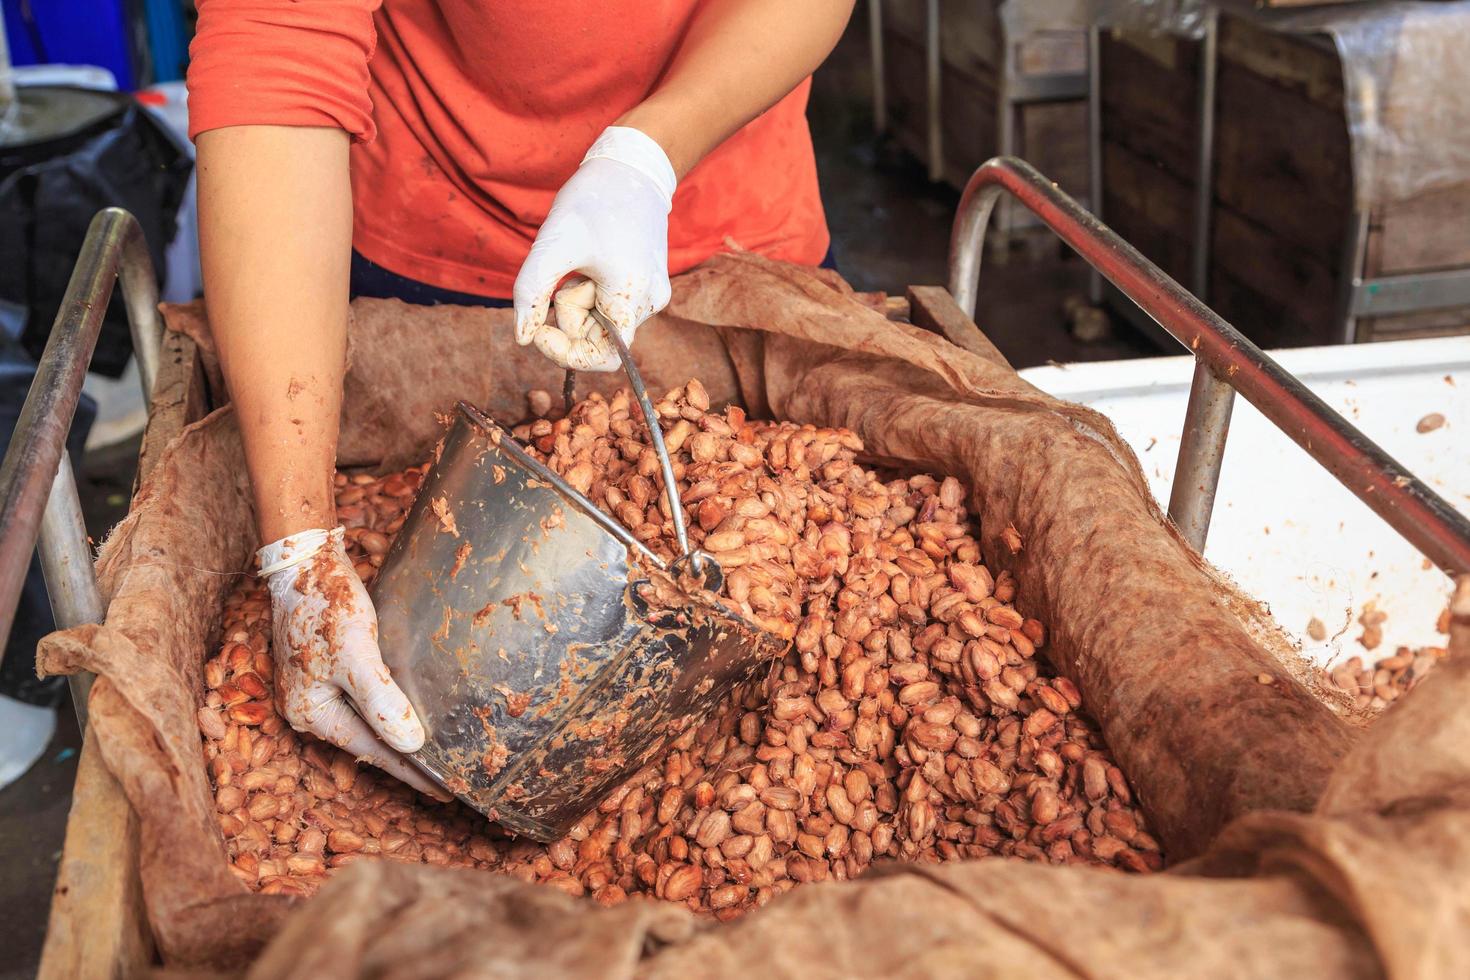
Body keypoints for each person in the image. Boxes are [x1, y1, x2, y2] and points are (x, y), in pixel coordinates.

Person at [186, 0, 854, 793]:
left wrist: (645, 158)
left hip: (726, 220)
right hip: (434, 217)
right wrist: (300, 553)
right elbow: (279, 48)